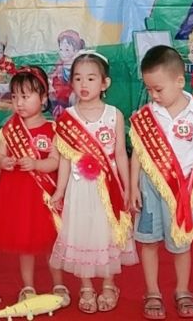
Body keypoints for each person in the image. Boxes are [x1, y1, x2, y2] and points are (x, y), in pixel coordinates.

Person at [130, 45, 193, 319]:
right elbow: (138, 153)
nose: (153, 95)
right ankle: (152, 291)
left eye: (158, 89)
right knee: (148, 241)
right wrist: (133, 186)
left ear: (179, 81)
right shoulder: (146, 115)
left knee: (181, 244)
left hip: (182, 192)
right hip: (148, 188)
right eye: (149, 90)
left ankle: (182, 290)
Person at [50, 52, 137, 314]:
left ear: (104, 83)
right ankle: (86, 285)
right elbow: (65, 159)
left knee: (107, 232)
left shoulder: (114, 115)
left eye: (91, 78)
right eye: (78, 78)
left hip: (108, 186)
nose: (84, 84)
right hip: (78, 189)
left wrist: (127, 187)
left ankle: (109, 284)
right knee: (82, 233)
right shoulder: (66, 118)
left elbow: (120, 153)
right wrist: (59, 190)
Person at [0, 66, 68, 305]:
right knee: (24, 242)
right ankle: (28, 286)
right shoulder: (9, 129)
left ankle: (59, 283)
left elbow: (55, 162)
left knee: (51, 242)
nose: (19, 103)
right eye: (15, 97)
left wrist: (36, 163)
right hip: (18, 195)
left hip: (43, 197)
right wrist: (4, 161)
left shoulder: (53, 129)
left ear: (43, 98)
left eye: (25, 97)